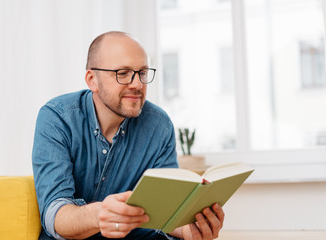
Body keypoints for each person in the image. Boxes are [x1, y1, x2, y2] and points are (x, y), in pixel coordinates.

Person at [32, 31, 225, 240]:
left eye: (142, 72)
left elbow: (165, 211)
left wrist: (186, 230)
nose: (137, 84)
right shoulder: (57, 118)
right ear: (92, 80)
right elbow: (56, 215)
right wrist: (98, 215)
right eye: (122, 73)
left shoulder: (159, 125)